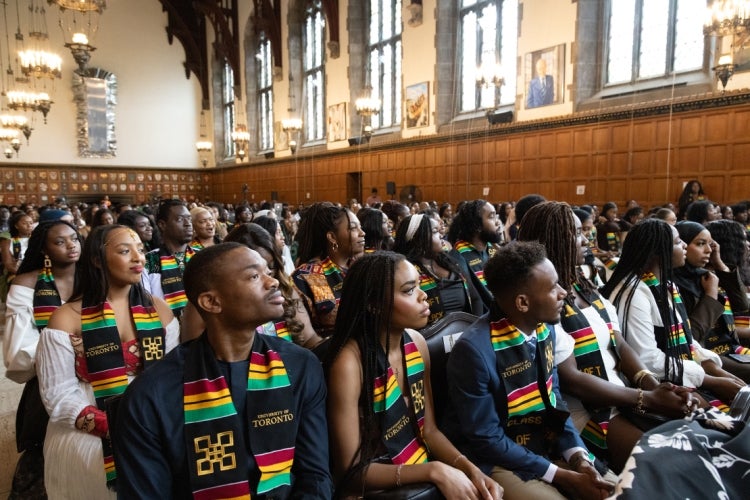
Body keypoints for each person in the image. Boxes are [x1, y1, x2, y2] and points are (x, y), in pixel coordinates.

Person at [112, 243, 332, 498]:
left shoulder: (300, 366)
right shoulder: (153, 393)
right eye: (253, 276)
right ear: (212, 302)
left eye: (268, 271)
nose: (272, 282)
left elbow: (314, 475)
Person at [517, 202, 692, 473]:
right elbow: (571, 379)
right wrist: (647, 399)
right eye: (577, 233)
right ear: (554, 240)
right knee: (668, 465)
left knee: (697, 437)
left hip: (623, 393)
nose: (587, 238)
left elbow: (617, 340)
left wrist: (652, 384)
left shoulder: (583, 284)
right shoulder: (544, 301)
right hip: (584, 412)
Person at [444, 241, 614, 500]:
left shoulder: (543, 330)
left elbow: (554, 404)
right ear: (522, 303)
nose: (563, 292)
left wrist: (579, 459)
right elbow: (487, 439)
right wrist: (561, 475)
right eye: (552, 287)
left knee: (617, 489)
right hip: (497, 458)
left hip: (543, 441)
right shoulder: (474, 351)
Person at [325, 251, 502, 499]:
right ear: (374, 304)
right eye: (409, 290)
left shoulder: (417, 343)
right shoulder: (350, 363)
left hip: (418, 479)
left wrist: (470, 471)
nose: (424, 295)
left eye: (419, 285)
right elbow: (351, 472)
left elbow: (429, 432)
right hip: (374, 491)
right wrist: (433, 471)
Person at [36, 224, 179, 498]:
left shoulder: (159, 310)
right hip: (87, 432)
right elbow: (58, 395)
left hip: (151, 423)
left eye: (140, 249)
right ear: (96, 260)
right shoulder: (66, 317)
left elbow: (172, 377)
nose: (138, 258)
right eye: (125, 251)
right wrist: (113, 426)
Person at [601, 219, 746, 410]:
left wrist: (714, 369)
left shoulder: (666, 286)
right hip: (656, 386)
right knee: (727, 417)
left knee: (741, 399)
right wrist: (710, 380)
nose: (684, 245)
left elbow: (687, 341)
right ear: (658, 253)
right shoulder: (635, 293)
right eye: (678, 242)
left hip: (678, 373)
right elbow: (648, 359)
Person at [3, 220, 81, 498]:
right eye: (60, 242)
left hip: (96, 375)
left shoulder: (94, 276)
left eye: (74, 238)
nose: (71, 245)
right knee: (40, 457)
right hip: (47, 380)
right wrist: (67, 348)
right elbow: (17, 355)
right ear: (44, 249)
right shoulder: (28, 284)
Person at [674, 220, 750, 382]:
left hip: (729, 348)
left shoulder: (705, 275)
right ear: (684, 246)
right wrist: (710, 294)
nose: (709, 250)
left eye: (711, 244)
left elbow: (741, 304)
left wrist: (719, 263)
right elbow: (691, 335)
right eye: (701, 244)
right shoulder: (676, 284)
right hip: (706, 355)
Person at [393, 213, 482, 326]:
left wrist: (475, 326)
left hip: (465, 331)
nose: (441, 235)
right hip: (428, 338)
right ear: (418, 237)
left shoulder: (450, 262)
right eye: (435, 231)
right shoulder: (408, 271)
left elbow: (475, 299)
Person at [292, 202, 365, 337]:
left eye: (360, 227)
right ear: (332, 237)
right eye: (353, 228)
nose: (362, 233)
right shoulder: (307, 276)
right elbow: (304, 337)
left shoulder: (363, 267)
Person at [446, 199, 502, 312]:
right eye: (491, 217)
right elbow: (475, 302)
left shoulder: (493, 249)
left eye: (496, 216)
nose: (498, 222)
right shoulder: (458, 257)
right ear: (477, 226)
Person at [144, 199, 194, 318]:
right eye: (180, 219)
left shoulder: (202, 257)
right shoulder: (149, 261)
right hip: (167, 328)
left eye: (189, 218)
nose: (188, 223)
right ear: (162, 225)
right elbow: (146, 302)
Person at [1, 211, 34, 302]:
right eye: (24, 223)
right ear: (16, 226)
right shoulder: (8, 242)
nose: (29, 226)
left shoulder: (37, 240)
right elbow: (9, 265)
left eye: (31, 223)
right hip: (17, 273)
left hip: (37, 272)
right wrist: (26, 275)